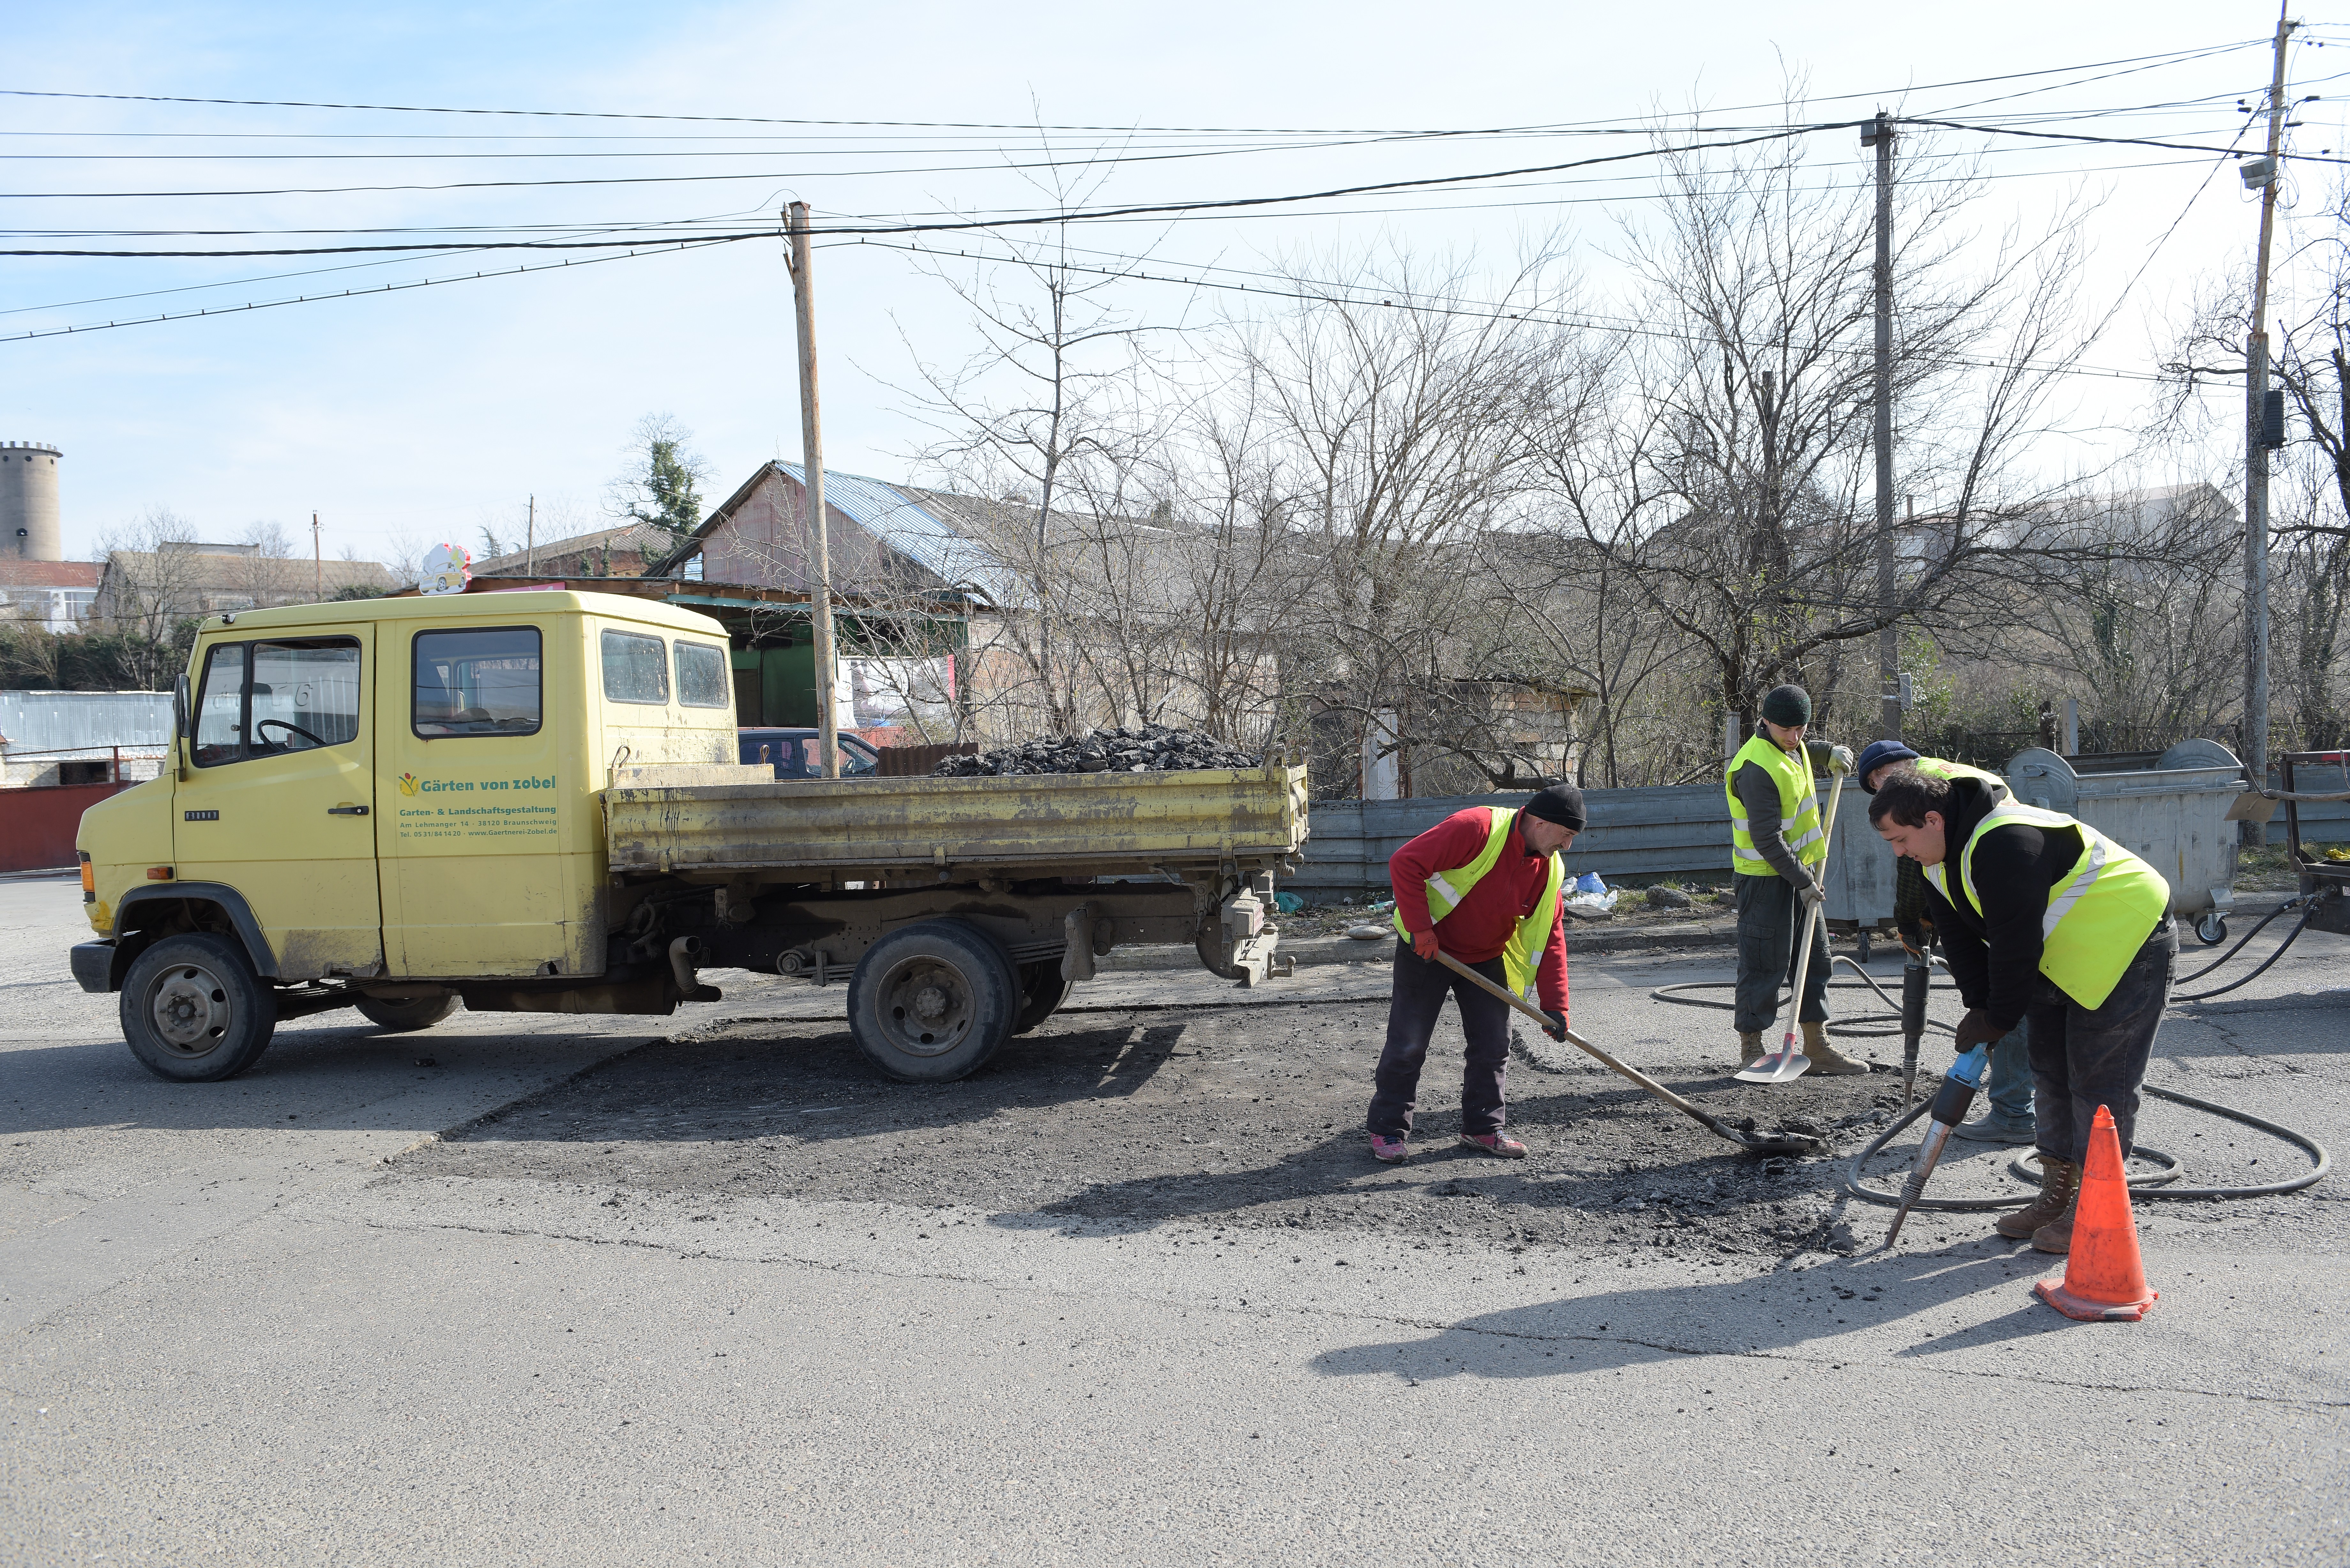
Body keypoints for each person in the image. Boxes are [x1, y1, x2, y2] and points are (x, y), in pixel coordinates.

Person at [1868, 770, 2174, 1253]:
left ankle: (2096, 1209)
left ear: (1932, 819)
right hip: (2063, 955)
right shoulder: (1936, 861)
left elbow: (2014, 943)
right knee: (2050, 1075)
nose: (1898, 852)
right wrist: (1980, 1008)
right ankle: (2058, 1193)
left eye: (1902, 839)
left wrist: (2000, 1018)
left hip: (2127, 941)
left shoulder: (2006, 842)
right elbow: (1963, 939)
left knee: (2099, 1083)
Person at [1368, 782, 1581, 1164]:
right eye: (1566, 835)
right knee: (1409, 1043)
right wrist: (1420, 929)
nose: (1567, 846)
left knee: (1494, 1043)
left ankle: (1483, 1128)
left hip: (1484, 957)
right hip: (1428, 949)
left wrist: (1556, 1007)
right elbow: (1405, 862)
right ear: (1541, 823)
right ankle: (1388, 1130)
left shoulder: (1549, 870)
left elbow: (1550, 935)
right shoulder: (1476, 827)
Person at [1854, 741, 2033, 1146]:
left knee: (2010, 1000)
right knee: (2005, 999)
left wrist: (1907, 920)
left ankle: (2014, 1112)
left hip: (2000, 891)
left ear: (1898, 766)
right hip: (1997, 885)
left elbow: (1913, 869)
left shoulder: (1923, 792)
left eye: (1879, 778)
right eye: (1872, 785)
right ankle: (2020, 1108)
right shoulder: (1953, 774)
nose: (1880, 787)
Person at [1725, 684, 1863, 1074]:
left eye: (1801, 729)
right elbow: (1766, 839)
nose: (1795, 737)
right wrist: (1803, 881)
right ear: (1765, 722)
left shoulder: (1792, 744)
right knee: (1763, 965)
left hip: (1800, 874)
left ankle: (1816, 1046)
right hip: (1765, 880)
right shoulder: (1754, 769)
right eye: (1787, 729)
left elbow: (1804, 749)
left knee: (1815, 961)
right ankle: (1751, 1050)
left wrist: (1828, 753)